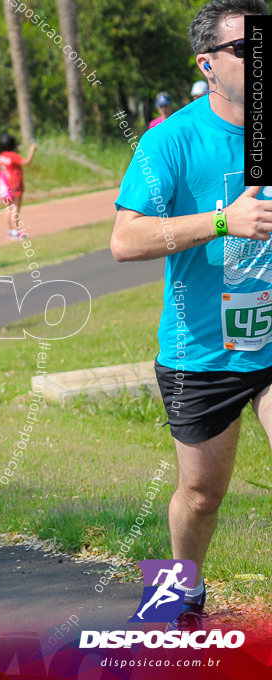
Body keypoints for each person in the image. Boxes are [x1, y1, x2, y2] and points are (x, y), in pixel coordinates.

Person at [111, 0, 271, 633]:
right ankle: (181, 588)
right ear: (208, 65)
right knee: (202, 495)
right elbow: (125, 240)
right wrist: (224, 220)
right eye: (246, 50)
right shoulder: (170, 140)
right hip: (202, 350)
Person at [0, 133, 37, 240]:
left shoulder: (1, 156)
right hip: (15, 184)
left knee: (8, 208)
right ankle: (16, 231)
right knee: (16, 208)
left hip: (5, 185)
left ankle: (11, 231)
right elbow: (27, 162)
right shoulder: (12, 155)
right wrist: (32, 150)